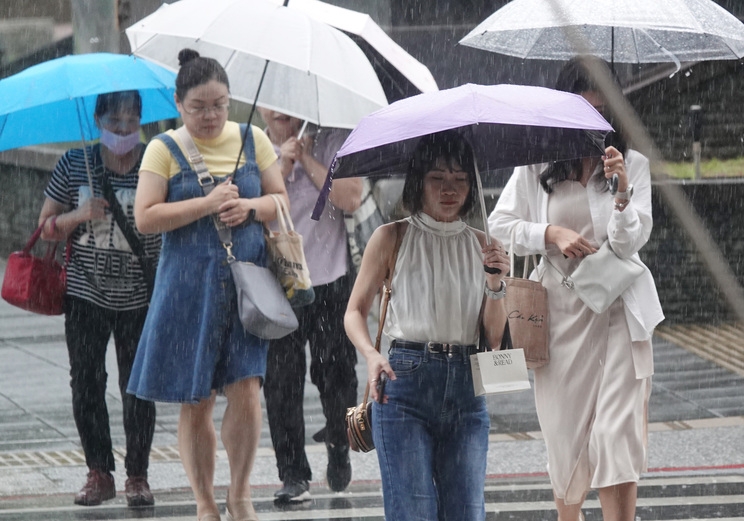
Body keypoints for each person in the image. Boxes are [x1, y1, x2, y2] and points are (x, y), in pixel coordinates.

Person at [488, 56, 665, 521]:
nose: (594, 125)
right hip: (560, 319)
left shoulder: (632, 165)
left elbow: (630, 243)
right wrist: (550, 234)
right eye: (583, 112)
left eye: (602, 114)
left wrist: (623, 194)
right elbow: (499, 225)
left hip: (619, 315)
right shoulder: (537, 167)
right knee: (565, 443)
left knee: (614, 435)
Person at [126, 49, 287, 521]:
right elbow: (146, 217)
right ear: (178, 103)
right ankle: (204, 501)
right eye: (199, 106)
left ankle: (240, 494)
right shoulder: (163, 148)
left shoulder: (252, 137)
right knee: (195, 399)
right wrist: (208, 203)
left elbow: (280, 199)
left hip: (247, 287)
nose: (211, 115)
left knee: (247, 389)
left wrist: (251, 208)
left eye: (219, 104)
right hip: (186, 288)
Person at [344, 130, 510, 521]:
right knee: (412, 511)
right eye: (438, 178)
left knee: (467, 512)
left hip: (468, 388)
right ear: (419, 181)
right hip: (403, 382)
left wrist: (496, 285)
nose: (450, 189)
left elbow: (495, 336)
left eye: (460, 179)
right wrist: (370, 355)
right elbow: (354, 311)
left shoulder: (487, 246)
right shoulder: (391, 237)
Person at [37, 90, 159, 507]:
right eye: (114, 122)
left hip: (141, 294)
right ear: (98, 120)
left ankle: (138, 475)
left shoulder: (156, 162)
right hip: (86, 293)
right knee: (87, 382)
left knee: (138, 386)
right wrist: (79, 214)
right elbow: (45, 227)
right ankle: (99, 471)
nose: (123, 130)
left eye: (131, 121)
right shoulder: (75, 164)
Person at [257, 108, 361, 502]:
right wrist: (280, 166)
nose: (281, 111)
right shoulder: (254, 145)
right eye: (273, 104)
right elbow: (249, 207)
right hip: (278, 285)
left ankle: (340, 443)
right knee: (281, 383)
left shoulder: (335, 138)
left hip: (329, 280)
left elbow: (351, 197)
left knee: (337, 376)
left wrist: (307, 158)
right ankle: (293, 474)